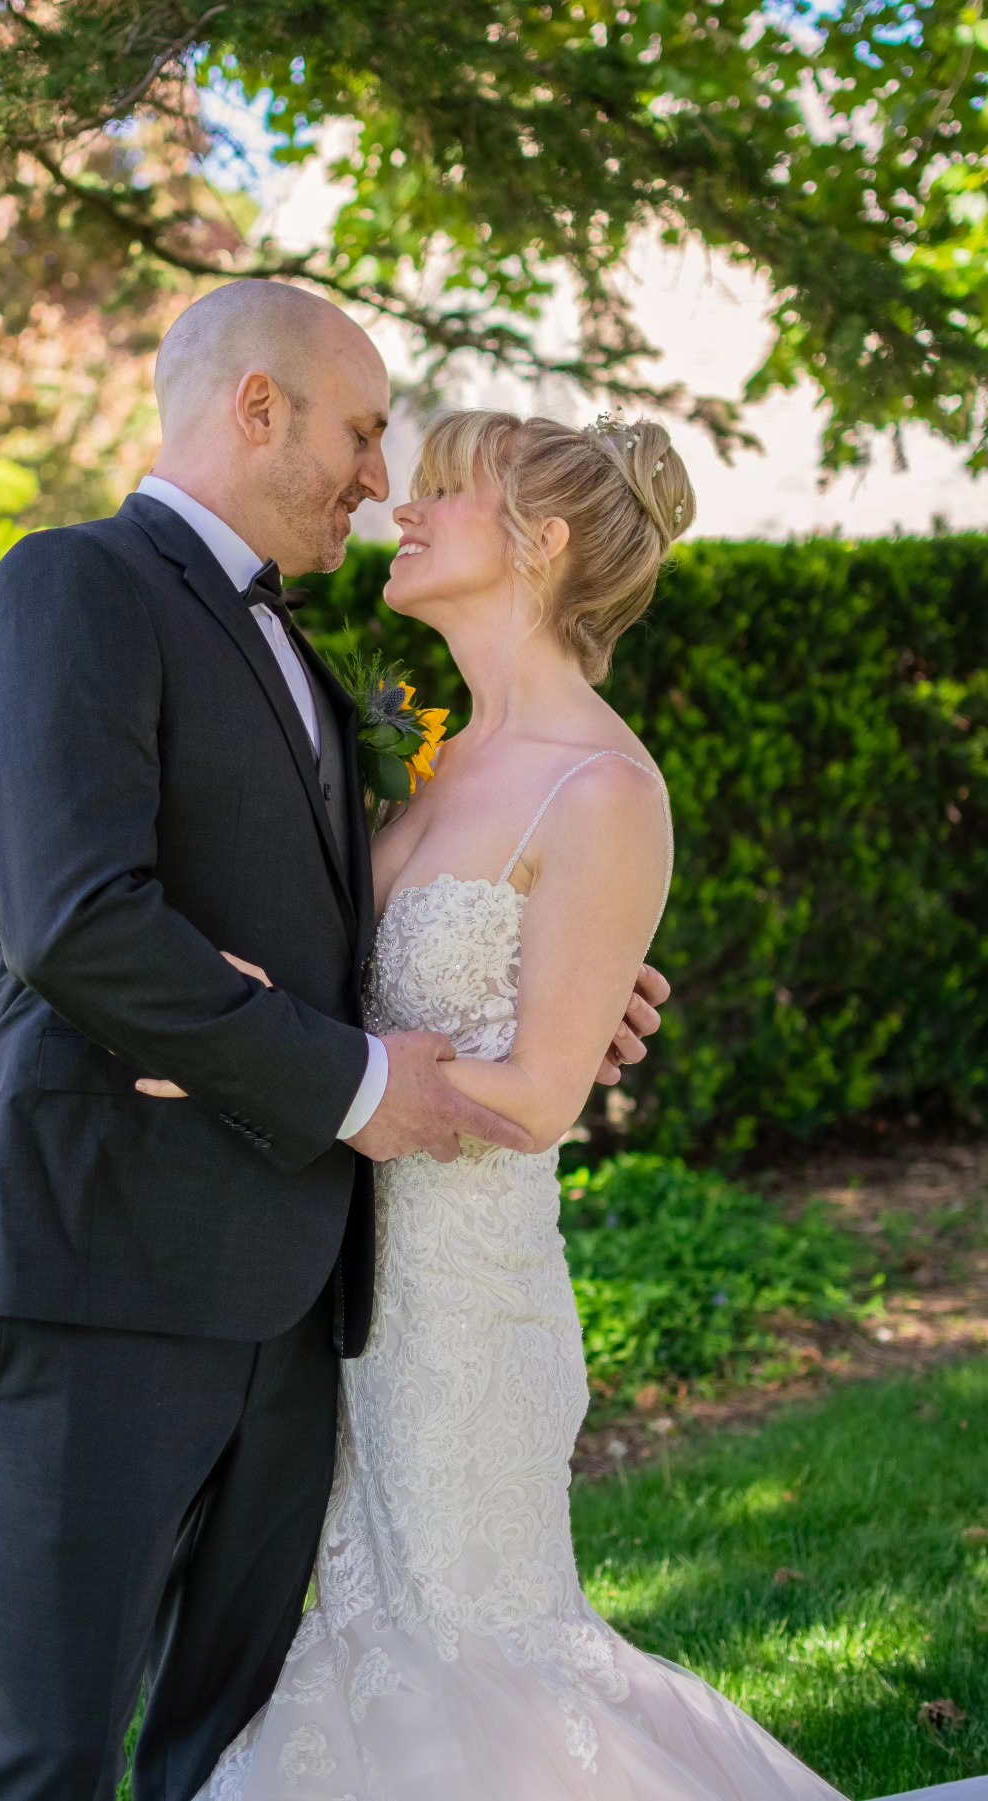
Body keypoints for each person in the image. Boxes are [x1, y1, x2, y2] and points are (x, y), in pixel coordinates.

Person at [0, 282, 670, 1801]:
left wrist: (561, 1004)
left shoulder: (323, 677)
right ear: (258, 408)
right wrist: (346, 1066)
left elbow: (358, 946)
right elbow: (76, 921)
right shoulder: (72, 588)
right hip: (103, 1264)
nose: (381, 481)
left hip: (303, 1304)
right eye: (366, 432)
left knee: (234, 1745)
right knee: (53, 1745)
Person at [184, 408, 847, 1798]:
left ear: (540, 545)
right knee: (374, 1640)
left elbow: (545, 1091)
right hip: (347, 1290)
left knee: (474, 1656)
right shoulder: (435, 756)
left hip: (467, 1315)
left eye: (442, 493)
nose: (400, 512)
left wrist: (258, 1053)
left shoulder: (603, 787)